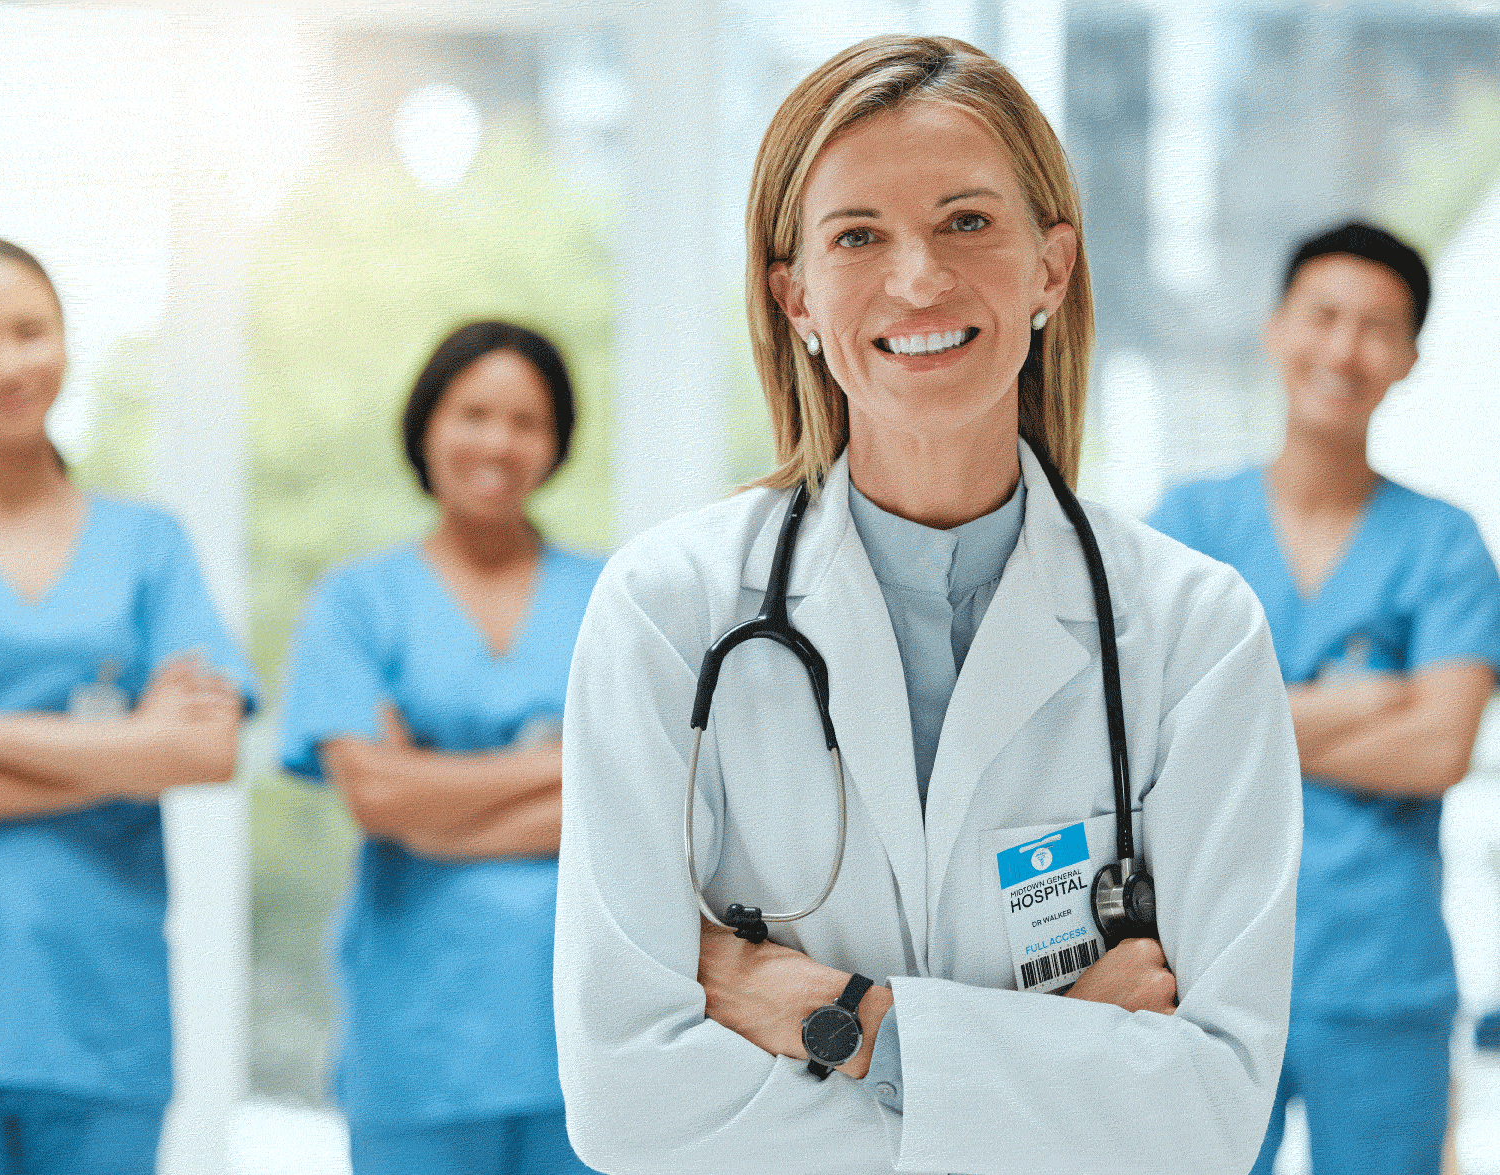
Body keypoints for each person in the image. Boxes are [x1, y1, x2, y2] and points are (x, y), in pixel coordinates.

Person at [554, 35, 1302, 1175]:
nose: (916, 280)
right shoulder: (667, 614)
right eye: (857, 235)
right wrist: (1064, 1053)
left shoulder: (1193, 631)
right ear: (794, 295)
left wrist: (841, 1015)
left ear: (1050, 267)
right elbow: (626, 1100)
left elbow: (1211, 1109)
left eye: (965, 221)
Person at [0, 238, 256, 1175]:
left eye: (30, 331)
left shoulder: (149, 545)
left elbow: (205, 750)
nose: (8, 363)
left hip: (97, 1017)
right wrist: (123, 749)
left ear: (66, 343)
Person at [1149, 222, 1500, 1175]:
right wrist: (1367, 699)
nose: (1344, 350)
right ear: (1275, 330)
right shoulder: (1186, 525)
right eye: (1324, 316)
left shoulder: (1445, 545)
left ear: (1410, 356)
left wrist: (1240, 716)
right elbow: (1149, 733)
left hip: (1380, 983)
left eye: (1377, 327)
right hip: (1201, 973)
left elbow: (1438, 750)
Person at [277, 321, 604, 1174]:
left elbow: (655, 799)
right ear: (426, 426)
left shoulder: (615, 595)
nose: (497, 442)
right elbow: (375, 799)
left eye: (526, 421)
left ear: (556, 441)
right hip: (419, 1036)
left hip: (584, 1025)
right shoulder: (358, 602)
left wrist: (433, 794)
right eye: (472, 413)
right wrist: (575, 763)